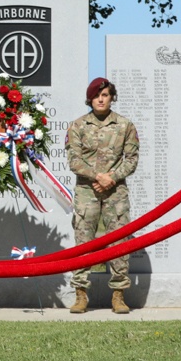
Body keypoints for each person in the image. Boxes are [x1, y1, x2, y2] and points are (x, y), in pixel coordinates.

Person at [65, 77, 139, 314]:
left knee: (119, 241)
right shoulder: (77, 126)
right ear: (90, 99)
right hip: (87, 191)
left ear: (111, 97)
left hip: (115, 192)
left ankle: (118, 295)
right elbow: (74, 161)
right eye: (96, 95)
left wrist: (112, 178)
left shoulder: (125, 125)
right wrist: (99, 177)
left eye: (105, 95)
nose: (100, 99)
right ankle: (80, 294)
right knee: (83, 241)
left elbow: (132, 159)